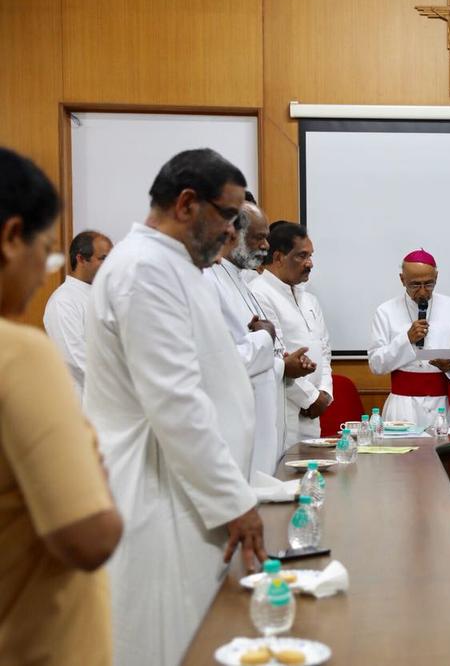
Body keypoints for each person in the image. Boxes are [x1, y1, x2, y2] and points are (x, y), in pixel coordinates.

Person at [85, 148, 265, 666]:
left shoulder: (175, 265)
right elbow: (175, 402)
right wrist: (235, 501)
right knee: (169, 641)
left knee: (197, 635)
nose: (233, 231)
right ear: (188, 204)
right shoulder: (145, 269)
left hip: (188, 488)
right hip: (159, 488)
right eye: (228, 215)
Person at [0, 148, 122, 665]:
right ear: (11, 239)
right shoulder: (18, 352)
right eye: (45, 249)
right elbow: (90, 538)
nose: (40, 270)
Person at [205, 202, 315, 479]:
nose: (265, 245)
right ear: (232, 235)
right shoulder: (209, 280)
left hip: (265, 418)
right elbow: (223, 360)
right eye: (258, 237)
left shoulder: (240, 279)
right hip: (237, 424)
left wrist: (281, 363)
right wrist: (265, 338)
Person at [368, 249, 450, 427]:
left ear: (437, 277)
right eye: (414, 285)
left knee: (447, 454)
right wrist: (406, 340)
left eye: (429, 284)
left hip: (444, 404)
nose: (422, 292)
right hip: (403, 407)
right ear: (402, 279)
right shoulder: (385, 312)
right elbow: (376, 364)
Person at [251, 222, 333, 445]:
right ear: (278, 257)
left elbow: (324, 349)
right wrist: (310, 399)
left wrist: (324, 393)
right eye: (302, 256)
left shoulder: (309, 299)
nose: (310, 263)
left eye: (311, 255)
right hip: (283, 410)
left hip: (313, 412)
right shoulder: (259, 293)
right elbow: (276, 356)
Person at [42, 230, 112, 400]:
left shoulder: (103, 295)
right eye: (103, 258)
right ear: (81, 259)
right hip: (80, 402)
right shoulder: (63, 301)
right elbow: (76, 358)